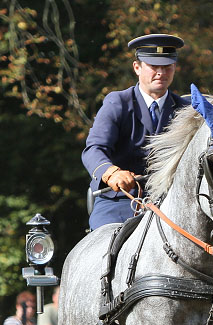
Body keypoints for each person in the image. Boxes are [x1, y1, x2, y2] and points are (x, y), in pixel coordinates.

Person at [82, 33, 190, 229]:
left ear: (175, 68)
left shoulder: (186, 110)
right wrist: (111, 173)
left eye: (166, 66)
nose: (160, 72)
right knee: (106, 250)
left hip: (172, 203)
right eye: (153, 67)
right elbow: (94, 149)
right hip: (120, 201)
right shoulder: (118, 103)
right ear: (137, 67)